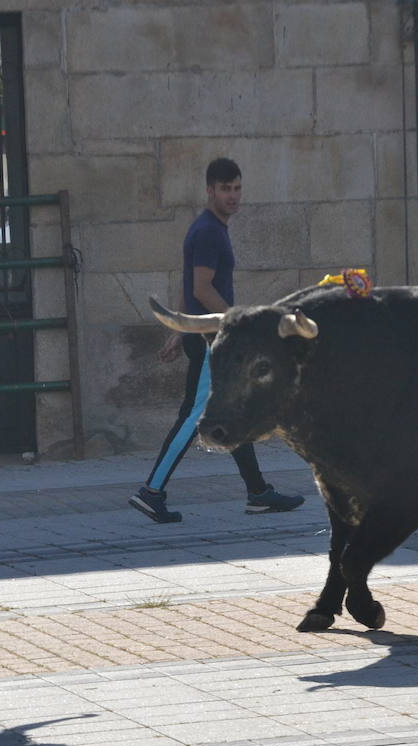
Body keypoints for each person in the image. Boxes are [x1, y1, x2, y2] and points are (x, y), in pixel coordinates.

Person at [129, 158, 304, 523]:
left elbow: (188, 287)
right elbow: (201, 289)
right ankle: (151, 491)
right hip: (213, 340)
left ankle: (257, 492)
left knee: (231, 410)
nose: (233, 196)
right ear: (210, 190)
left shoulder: (208, 228)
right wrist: (237, 322)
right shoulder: (208, 231)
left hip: (206, 335)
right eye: (225, 189)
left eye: (237, 188)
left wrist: (179, 330)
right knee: (194, 416)